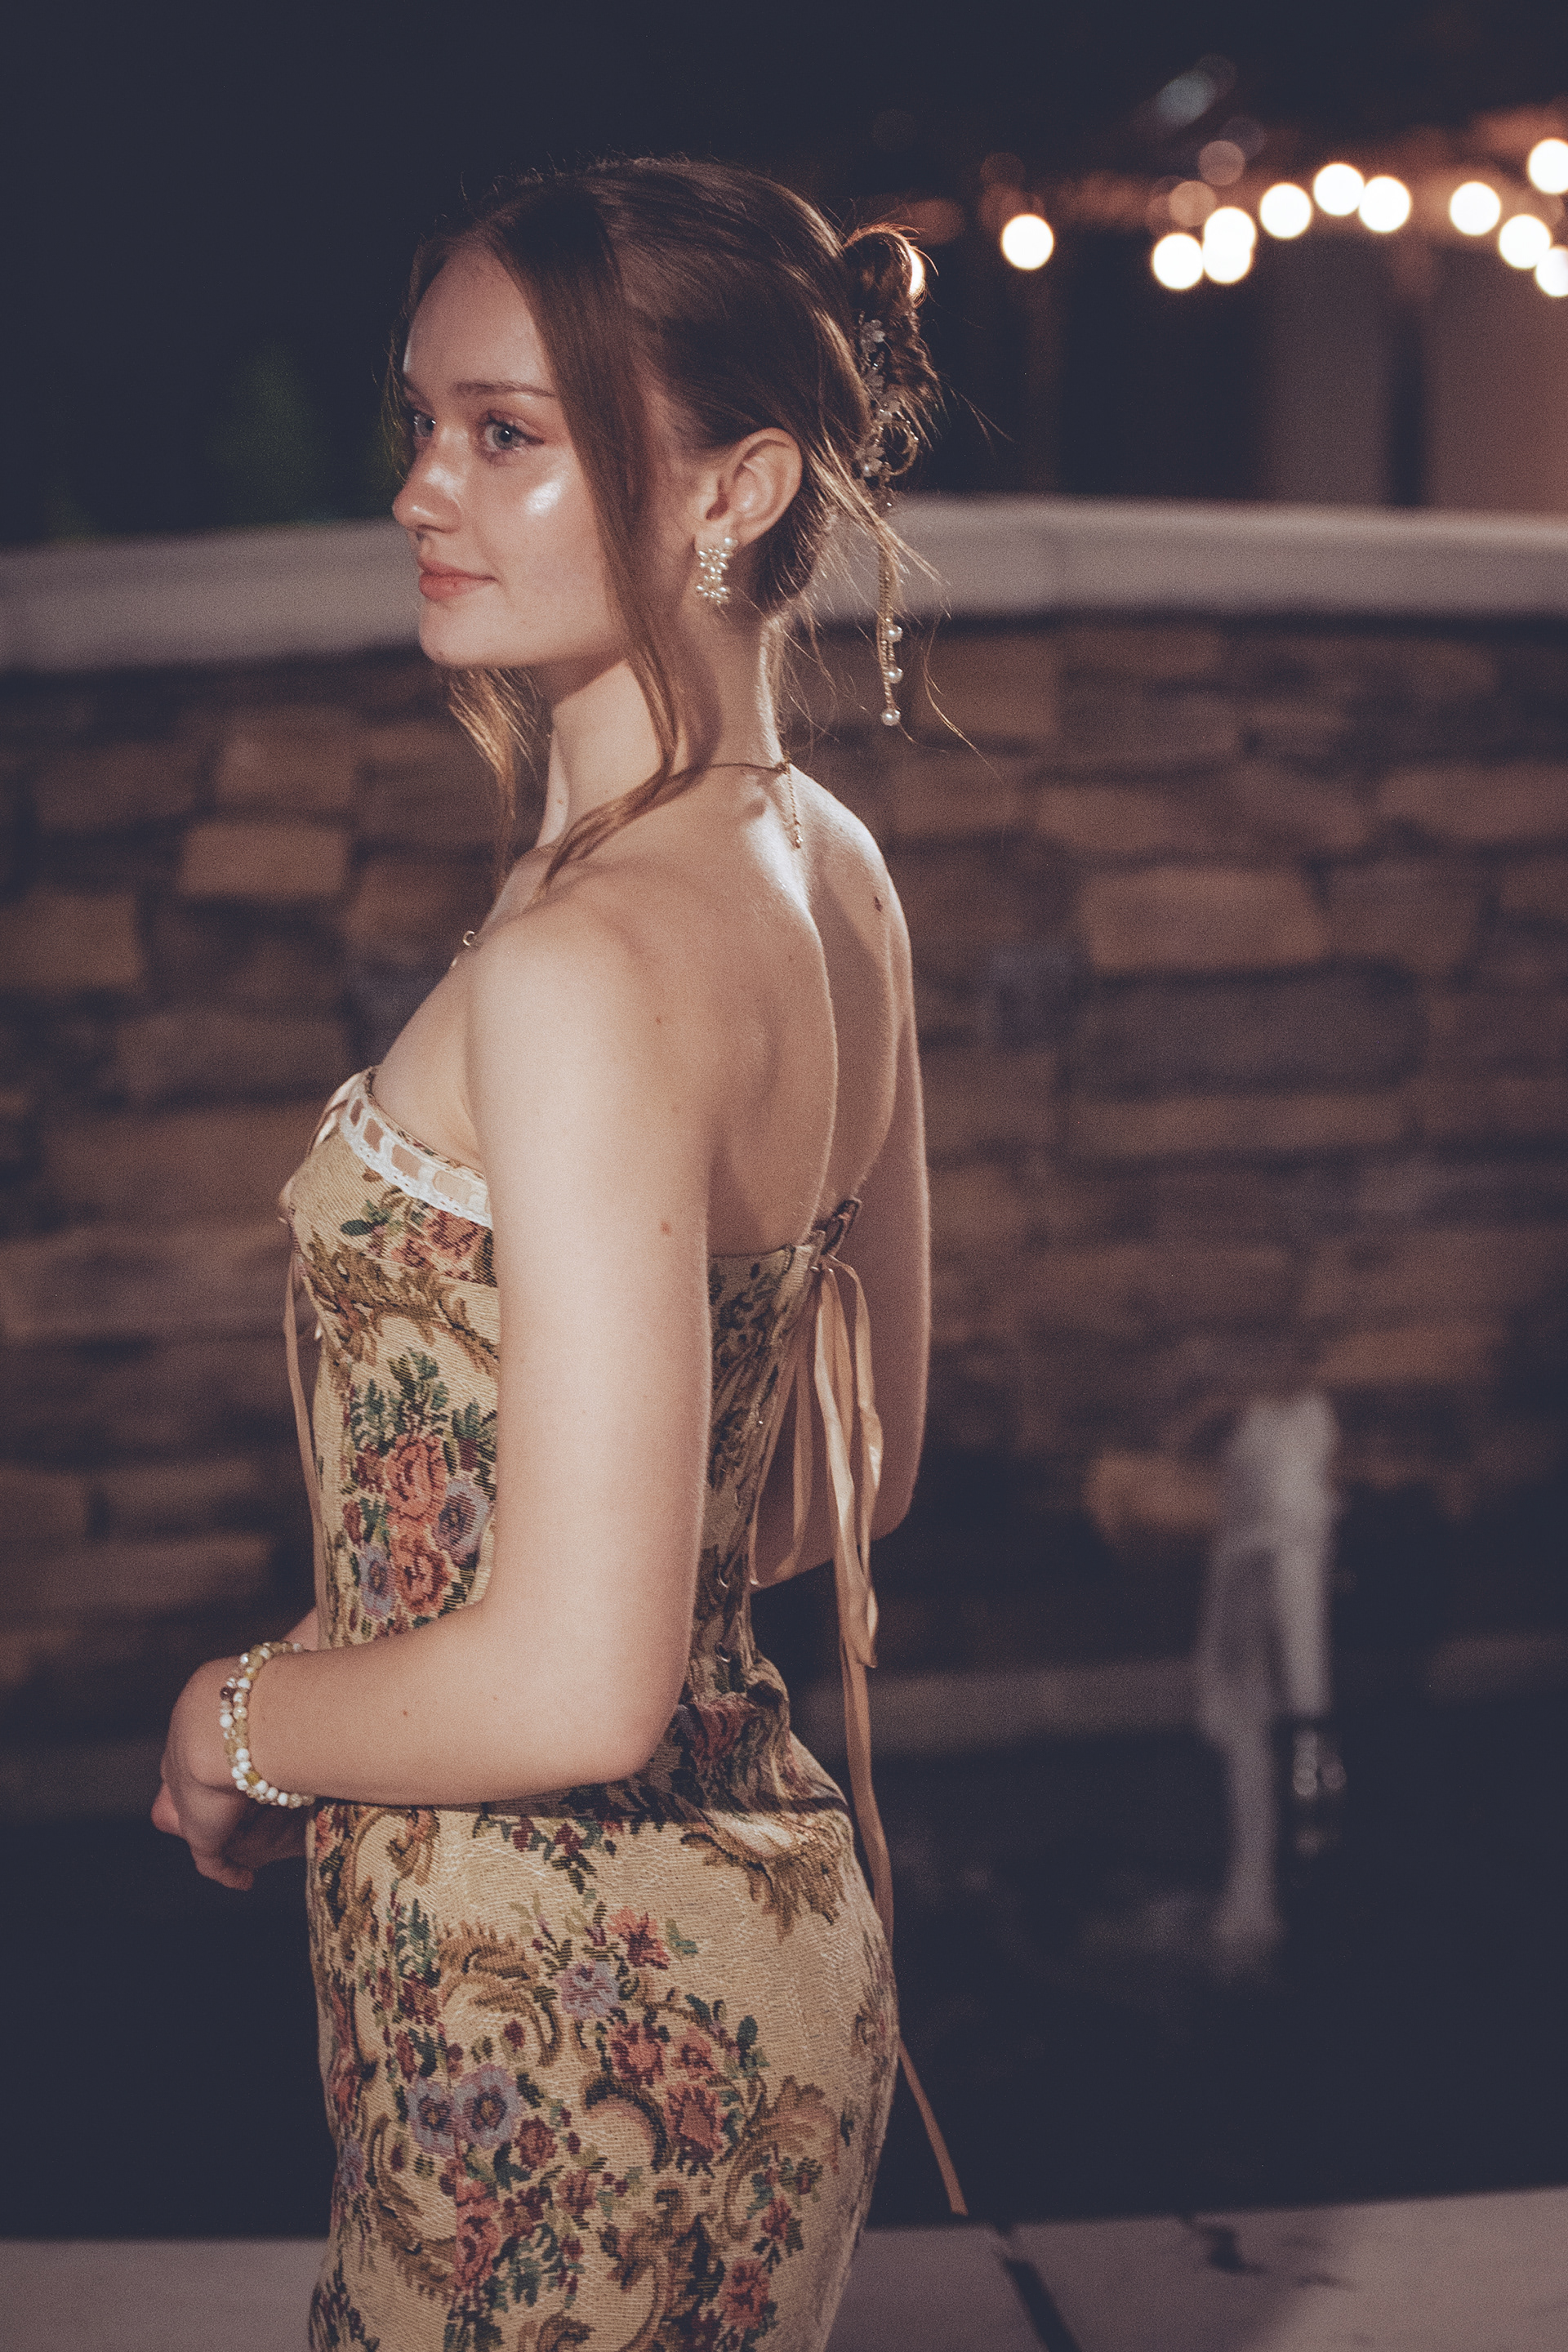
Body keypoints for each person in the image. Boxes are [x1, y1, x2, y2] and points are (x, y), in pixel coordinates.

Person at [154, 157, 955, 2350]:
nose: (423, 485)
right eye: (422, 421)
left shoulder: (585, 967)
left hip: (558, 2033)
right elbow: (847, 1479)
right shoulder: (827, 869)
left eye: (506, 433)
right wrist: (462, 1623)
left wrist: (242, 1715)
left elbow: (585, 1686)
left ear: (735, 492)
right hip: (751, 1972)